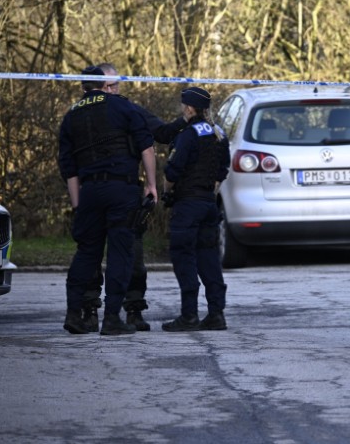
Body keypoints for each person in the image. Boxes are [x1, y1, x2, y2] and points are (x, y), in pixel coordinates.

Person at [81, 63, 188, 332]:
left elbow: (161, 134)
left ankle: (133, 309)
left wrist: (190, 119)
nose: (111, 90)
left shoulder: (130, 109)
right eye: (106, 86)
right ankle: (89, 310)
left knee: (131, 255)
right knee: (90, 256)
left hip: (125, 191)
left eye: (115, 85)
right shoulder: (82, 113)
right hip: (93, 192)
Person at [58, 66, 158, 335]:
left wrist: (78, 204)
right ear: (105, 85)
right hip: (121, 188)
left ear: (83, 87)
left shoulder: (71, 116)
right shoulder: (123, 108)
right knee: (120, 253)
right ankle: (112, 318)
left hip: (89, 191)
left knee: (86, 253)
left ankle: (74, 313)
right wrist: (151, 185)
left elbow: (69, 168)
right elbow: (147, 147)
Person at [161, 87, 231, 332]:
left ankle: (189, 315)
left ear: (190, 108)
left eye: (184, 106)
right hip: (208, 205)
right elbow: (223, 170)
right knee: (209, 259)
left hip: (188, 205)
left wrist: (166, 190)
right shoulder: (218, 133)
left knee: (184, 258)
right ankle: (216, 314)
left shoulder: (188, 134)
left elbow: (172, 171)